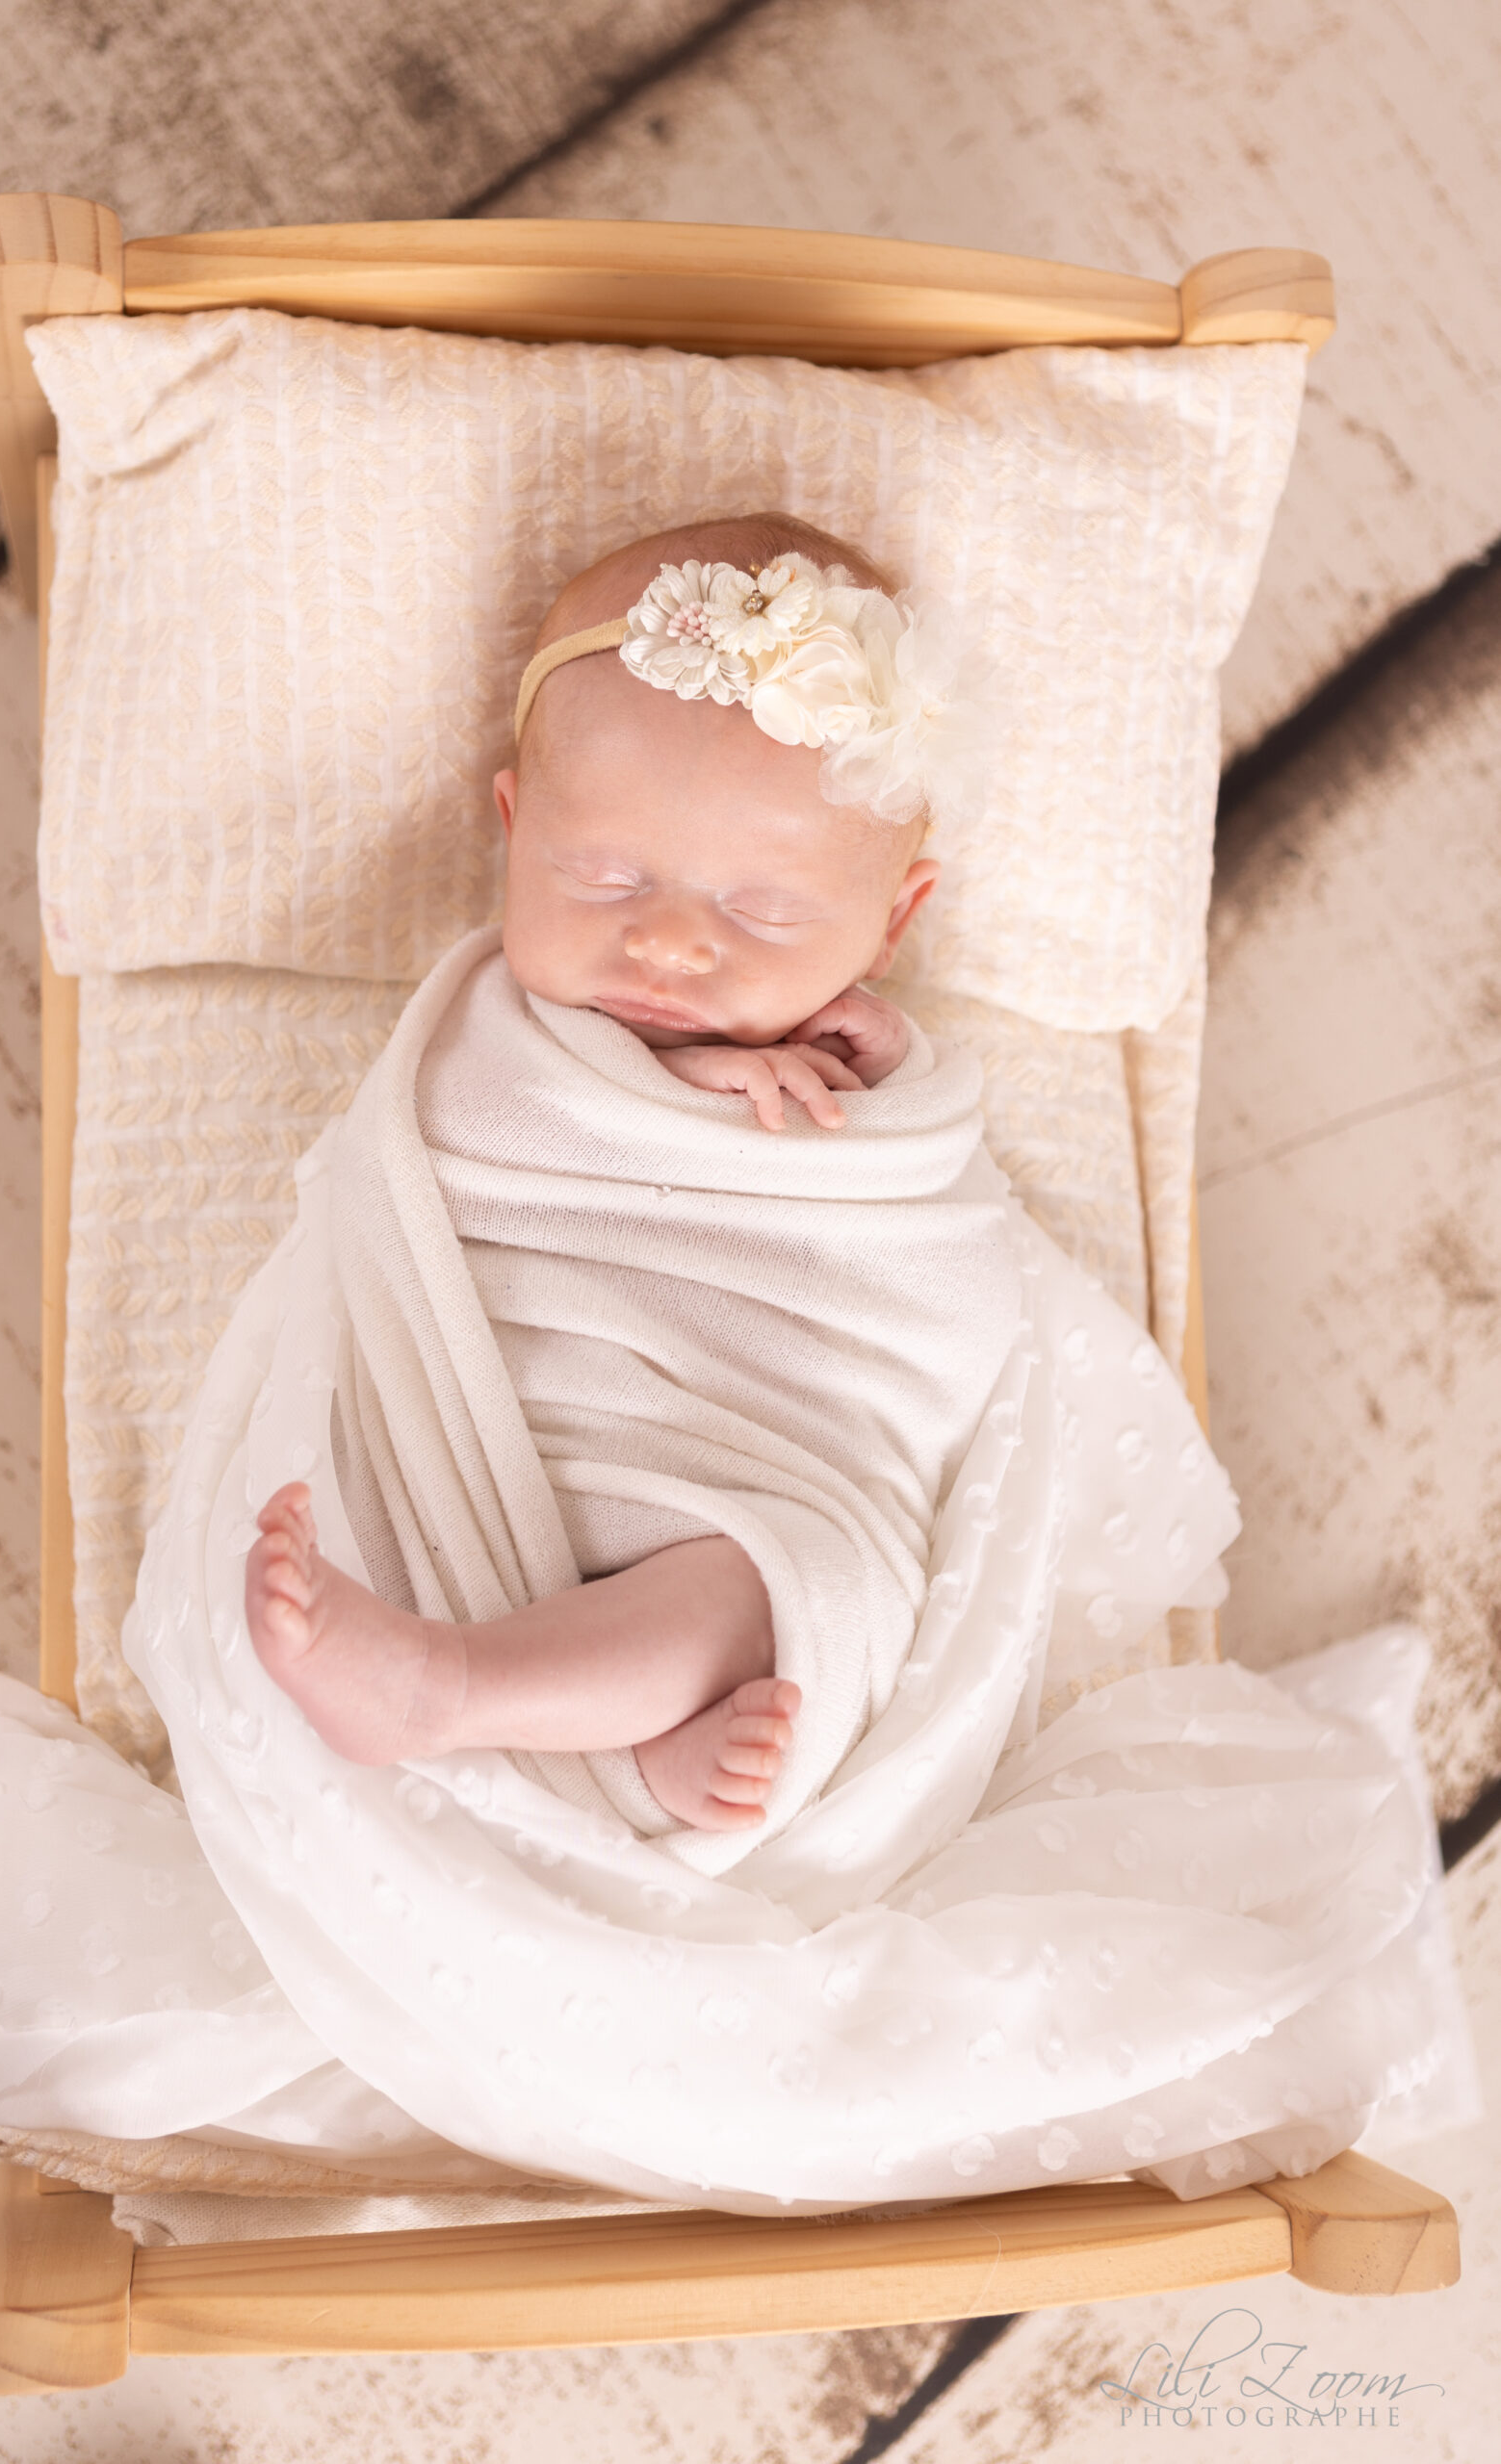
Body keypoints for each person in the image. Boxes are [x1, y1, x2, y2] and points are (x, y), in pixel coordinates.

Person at [244, 511, 993, 1832]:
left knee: (796, 1579)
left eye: (761, 914)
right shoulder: (494, 1030)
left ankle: (592, 1742)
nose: (669, 949)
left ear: (894, 921)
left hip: (749, 1471)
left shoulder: (884, 1087)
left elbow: (935, 1281)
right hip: (529, 1443)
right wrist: (667, 1091)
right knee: (746, 1580)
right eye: (599, 878)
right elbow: (469, 1134)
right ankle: (460, 1678)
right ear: (513, 828)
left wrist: (884, 1092)